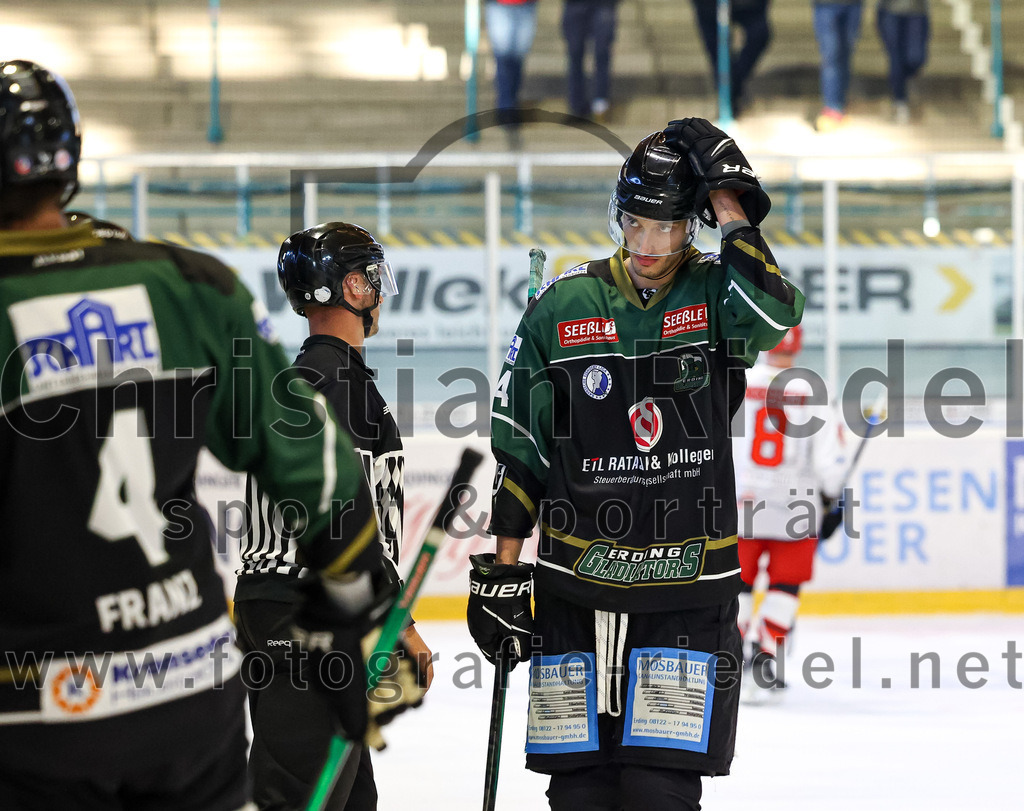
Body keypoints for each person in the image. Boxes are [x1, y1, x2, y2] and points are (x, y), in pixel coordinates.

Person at [0, 60, 388, 810]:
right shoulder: (185, 283)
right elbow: (316, 469)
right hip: (187, 693)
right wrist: (356, 611)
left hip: (39, 711)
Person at [468, 119, 805, 809]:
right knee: (578, 797)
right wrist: (501, 571)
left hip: (687, 593)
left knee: (660, 794)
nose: (648, 245)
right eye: (635, 224)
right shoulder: (562, 305)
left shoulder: (716, 294)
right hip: (572, 590)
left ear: (694, 224)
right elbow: (523, 449)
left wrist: (730, 201)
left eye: (668, 227)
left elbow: (774, 312)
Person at [235, 222, 432, 810]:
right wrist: (398, 622)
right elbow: (347, 516)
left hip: (286, 607)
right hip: (309, 614)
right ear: (350, 287)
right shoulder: (335, 383)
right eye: (371, 277)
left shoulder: (312, 375)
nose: (378, 290)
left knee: (348, 797)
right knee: (302, 797)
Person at [731, 325, 848, 700]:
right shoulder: (815, 389)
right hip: (797, 506)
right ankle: (766, 653)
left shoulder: (739, 379)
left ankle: (734, 652)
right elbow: (831, 463)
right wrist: (832, 500)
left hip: (743, 502)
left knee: (737, 582)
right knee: (786, 584)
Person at [691, 0, 772, 119]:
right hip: (709, 6)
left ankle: (731, 91)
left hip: (749, 5)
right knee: (717, 47)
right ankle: (730, 98)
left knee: (759, 34)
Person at [485, 0, 539, 139]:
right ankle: (506, 108)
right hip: (499, 5)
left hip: (526, 5)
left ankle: (511, 104)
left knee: (517, 58)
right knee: (503, 58)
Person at [562, 0, 620, 121]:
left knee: (602, 52)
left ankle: (601, 103)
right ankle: (576, 105)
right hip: (574, 5)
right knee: (575, 53)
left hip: (604, 4)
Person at [812, 0, 865, 132]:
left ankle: (840, 106)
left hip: (853, 5)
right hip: (825, 5)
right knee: (831, 55)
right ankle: (831, 108)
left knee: (846, 54)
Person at [876, 0, 929, 125]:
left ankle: (904, 84)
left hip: (917, 10)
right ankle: (899, 100)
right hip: (889, 10)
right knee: (895, 59)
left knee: (916, 58)